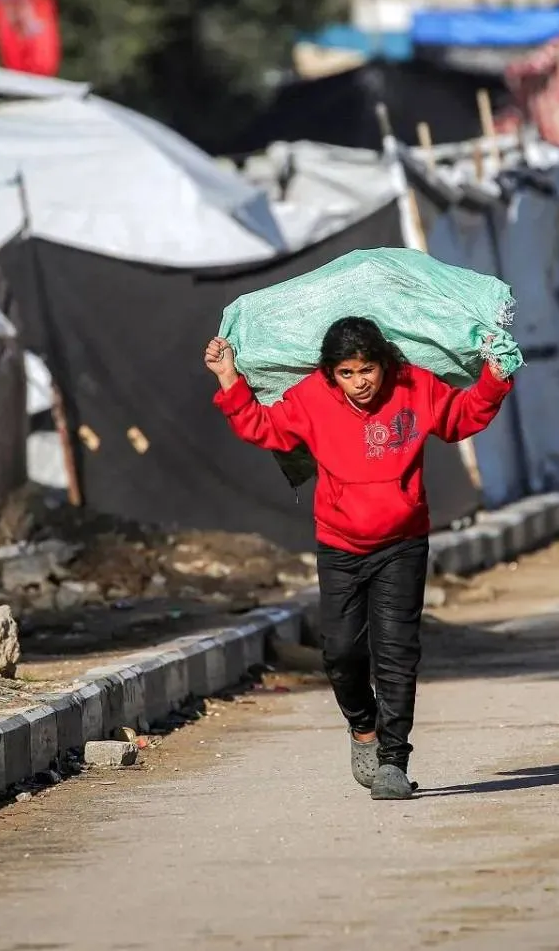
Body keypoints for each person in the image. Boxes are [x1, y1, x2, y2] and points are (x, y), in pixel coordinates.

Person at [203, 317, 513, 800]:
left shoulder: (415, 386)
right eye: (346, 373)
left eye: (367, 369)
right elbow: (264, 428)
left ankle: (393, 760)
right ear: (331, 374)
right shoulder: (311, 398)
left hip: (402, 543)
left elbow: (461, 417)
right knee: (341, 653)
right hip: (340, 545)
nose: (360, 382)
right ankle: (363, 728)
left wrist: (495, 376)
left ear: (384, 364)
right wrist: (228, 377)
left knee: (396, 653)